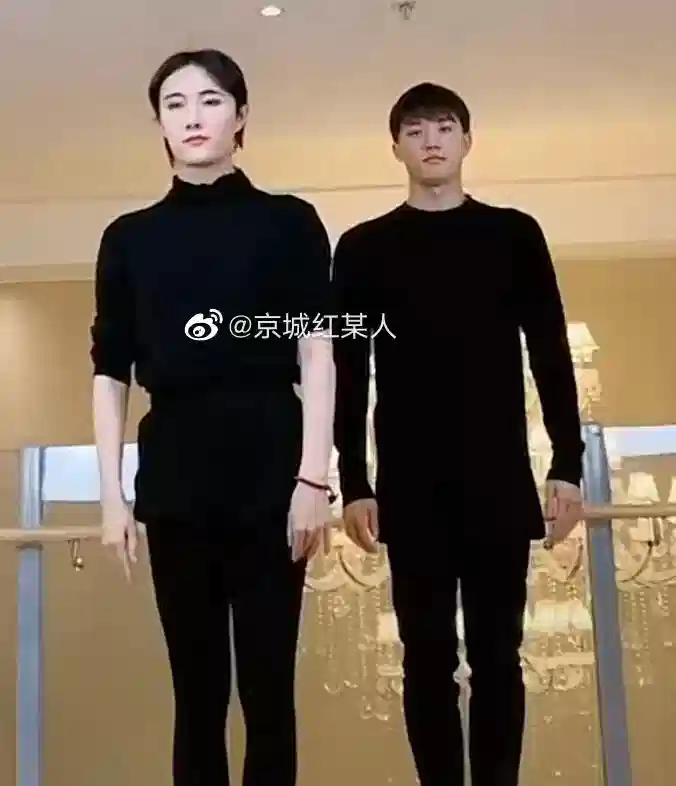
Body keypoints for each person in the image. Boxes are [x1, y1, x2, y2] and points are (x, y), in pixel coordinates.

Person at [89, 49, 335, 786]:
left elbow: (317, 352)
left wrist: (313, 479)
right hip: (175, 475)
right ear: (160, 124)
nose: (193, 117)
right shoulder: (129, 237)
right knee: (196, 695)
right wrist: (111, 497)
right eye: (175, 104)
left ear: (241, 115)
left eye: (210, 100)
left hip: (272, 470)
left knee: (269, 691)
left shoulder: (289, 222)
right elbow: (110, 371)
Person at [332, 82, 585, 786]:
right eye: (415, 130)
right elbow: (348, 369)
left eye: (444, 127)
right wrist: (353, 481)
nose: (431, 141)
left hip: (498, 479)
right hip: (410, 485)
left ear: (468, 140)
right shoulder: (363, 248)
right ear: (396, 148)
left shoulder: (513, 234)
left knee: (501, 656)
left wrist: (568, 463)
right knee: (425, 660)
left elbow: (550, 352)